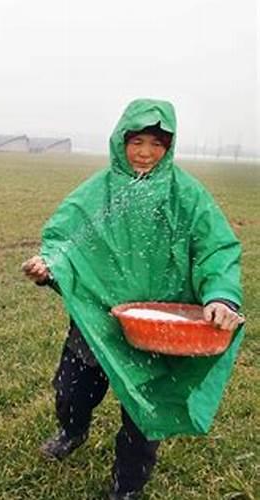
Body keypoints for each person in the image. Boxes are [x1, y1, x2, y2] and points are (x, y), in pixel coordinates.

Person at [21, 99, 245, 499]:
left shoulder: (187, 195)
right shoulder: (98, 192)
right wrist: (48, 265)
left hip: (159, 327)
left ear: (170, 147)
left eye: (157, 144)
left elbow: (215, 249)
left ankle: (128, 486)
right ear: (120, 141)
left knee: (145, 410)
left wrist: (222, 297)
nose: (145, 153)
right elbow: (67, 240)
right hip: (99, 319)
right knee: (71, 391)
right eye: (137, 141)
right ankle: (72, 432)